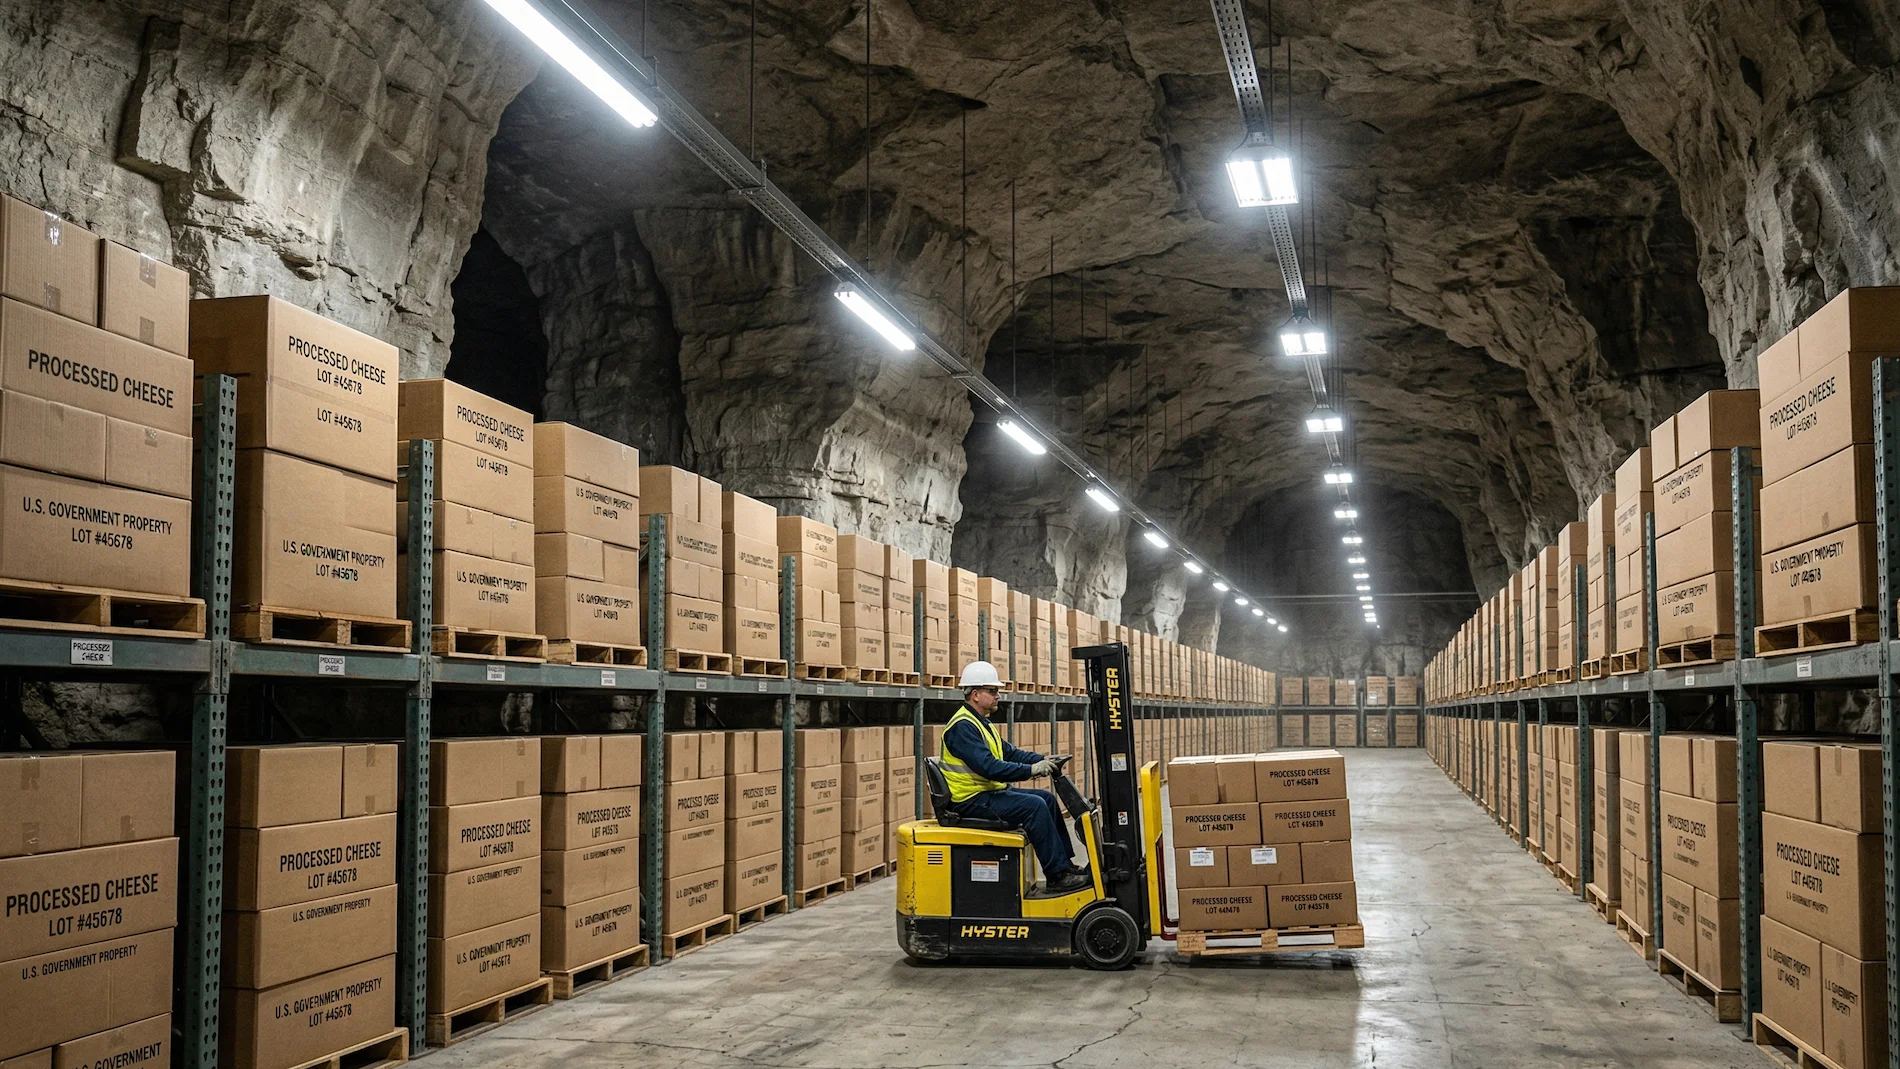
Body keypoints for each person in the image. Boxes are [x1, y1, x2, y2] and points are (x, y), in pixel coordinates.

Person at [939, 660, 1092, 894]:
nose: (998, 696)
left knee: (1047, 799)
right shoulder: (963, 727)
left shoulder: (981, 724)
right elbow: (989, 767)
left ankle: (1065, 866)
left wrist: (1044, 759)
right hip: (970, 800)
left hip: (986, 793)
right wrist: (1032, 770)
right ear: (976, 694)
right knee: (1034, 806)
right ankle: (1056, 875)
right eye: (993, 691)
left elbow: (1010, 752)